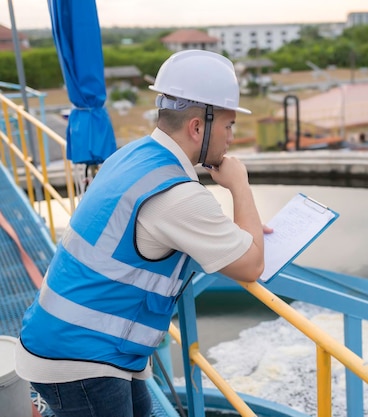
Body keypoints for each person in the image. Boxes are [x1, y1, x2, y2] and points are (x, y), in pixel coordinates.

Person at [15, 49, 267, 417]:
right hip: (81, 359)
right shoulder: (177, 195)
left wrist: (239, 229)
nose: (231, 137)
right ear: (198, 127)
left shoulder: (133, 156)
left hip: (69, 339)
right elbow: (251, 266)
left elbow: (157, 231)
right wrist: (239, 186)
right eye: (229, 126)